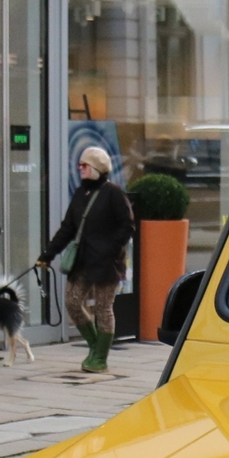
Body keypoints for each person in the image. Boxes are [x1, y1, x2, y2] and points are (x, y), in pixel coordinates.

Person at [40, 145, 137, 372]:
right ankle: (94, 345)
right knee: (72, 301)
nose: (80, 169)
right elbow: (67, 228)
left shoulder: (113, 193)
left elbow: (127, 226)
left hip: (107, 262)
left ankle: (100, 358)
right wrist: (47, 254)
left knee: (104, 308)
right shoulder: (80, 194)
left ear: (96, 168)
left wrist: (111, 249)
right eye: (79, 165)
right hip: (83, 259)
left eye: (84, 165)